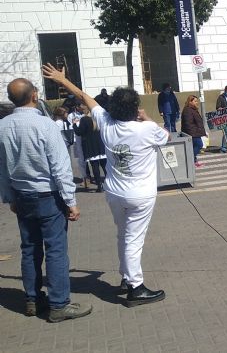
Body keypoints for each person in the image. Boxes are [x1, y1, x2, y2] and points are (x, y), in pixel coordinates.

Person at [42, 64, 170, 308]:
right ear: (135, 108)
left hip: (114, 192)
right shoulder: (147, 129)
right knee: (134, 239)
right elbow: (167, 137)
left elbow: (83, 97)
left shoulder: (106, 122)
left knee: (123, 234)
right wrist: (148, 118)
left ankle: (126, 276)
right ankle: (135, 287)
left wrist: (63, 80)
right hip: (140, 195)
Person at [0, 78, 92, 322]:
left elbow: (2, 167)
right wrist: (70, 201)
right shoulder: (46, 125)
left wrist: (9, 196)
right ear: (34, 96)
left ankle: (32, 298)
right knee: (56, 250)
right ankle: (59, 303)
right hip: (47, 195)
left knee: (29, 248)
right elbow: (60, 166)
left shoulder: (3, 126)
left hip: (22, 195)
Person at [73, 110, 107, 192]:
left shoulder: (84, 119)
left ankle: (99, 186)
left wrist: (74, 124)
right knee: (104, 166)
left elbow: (79, 132)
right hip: (100, 144)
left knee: (95, 166)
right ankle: (110, 183)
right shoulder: (99, 118)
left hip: (90, 145)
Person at [182, 96, 206, 167]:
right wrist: (194, 133)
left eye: (197, 101)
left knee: (194, 147)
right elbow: (188, 124)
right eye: (195, 101)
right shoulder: (188, 110)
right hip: (192, 133)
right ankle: (190, 160)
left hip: (196, 132)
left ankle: (194, 161)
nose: (197, 102)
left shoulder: (193, 109)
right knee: (199, 145)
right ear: (190, 102)